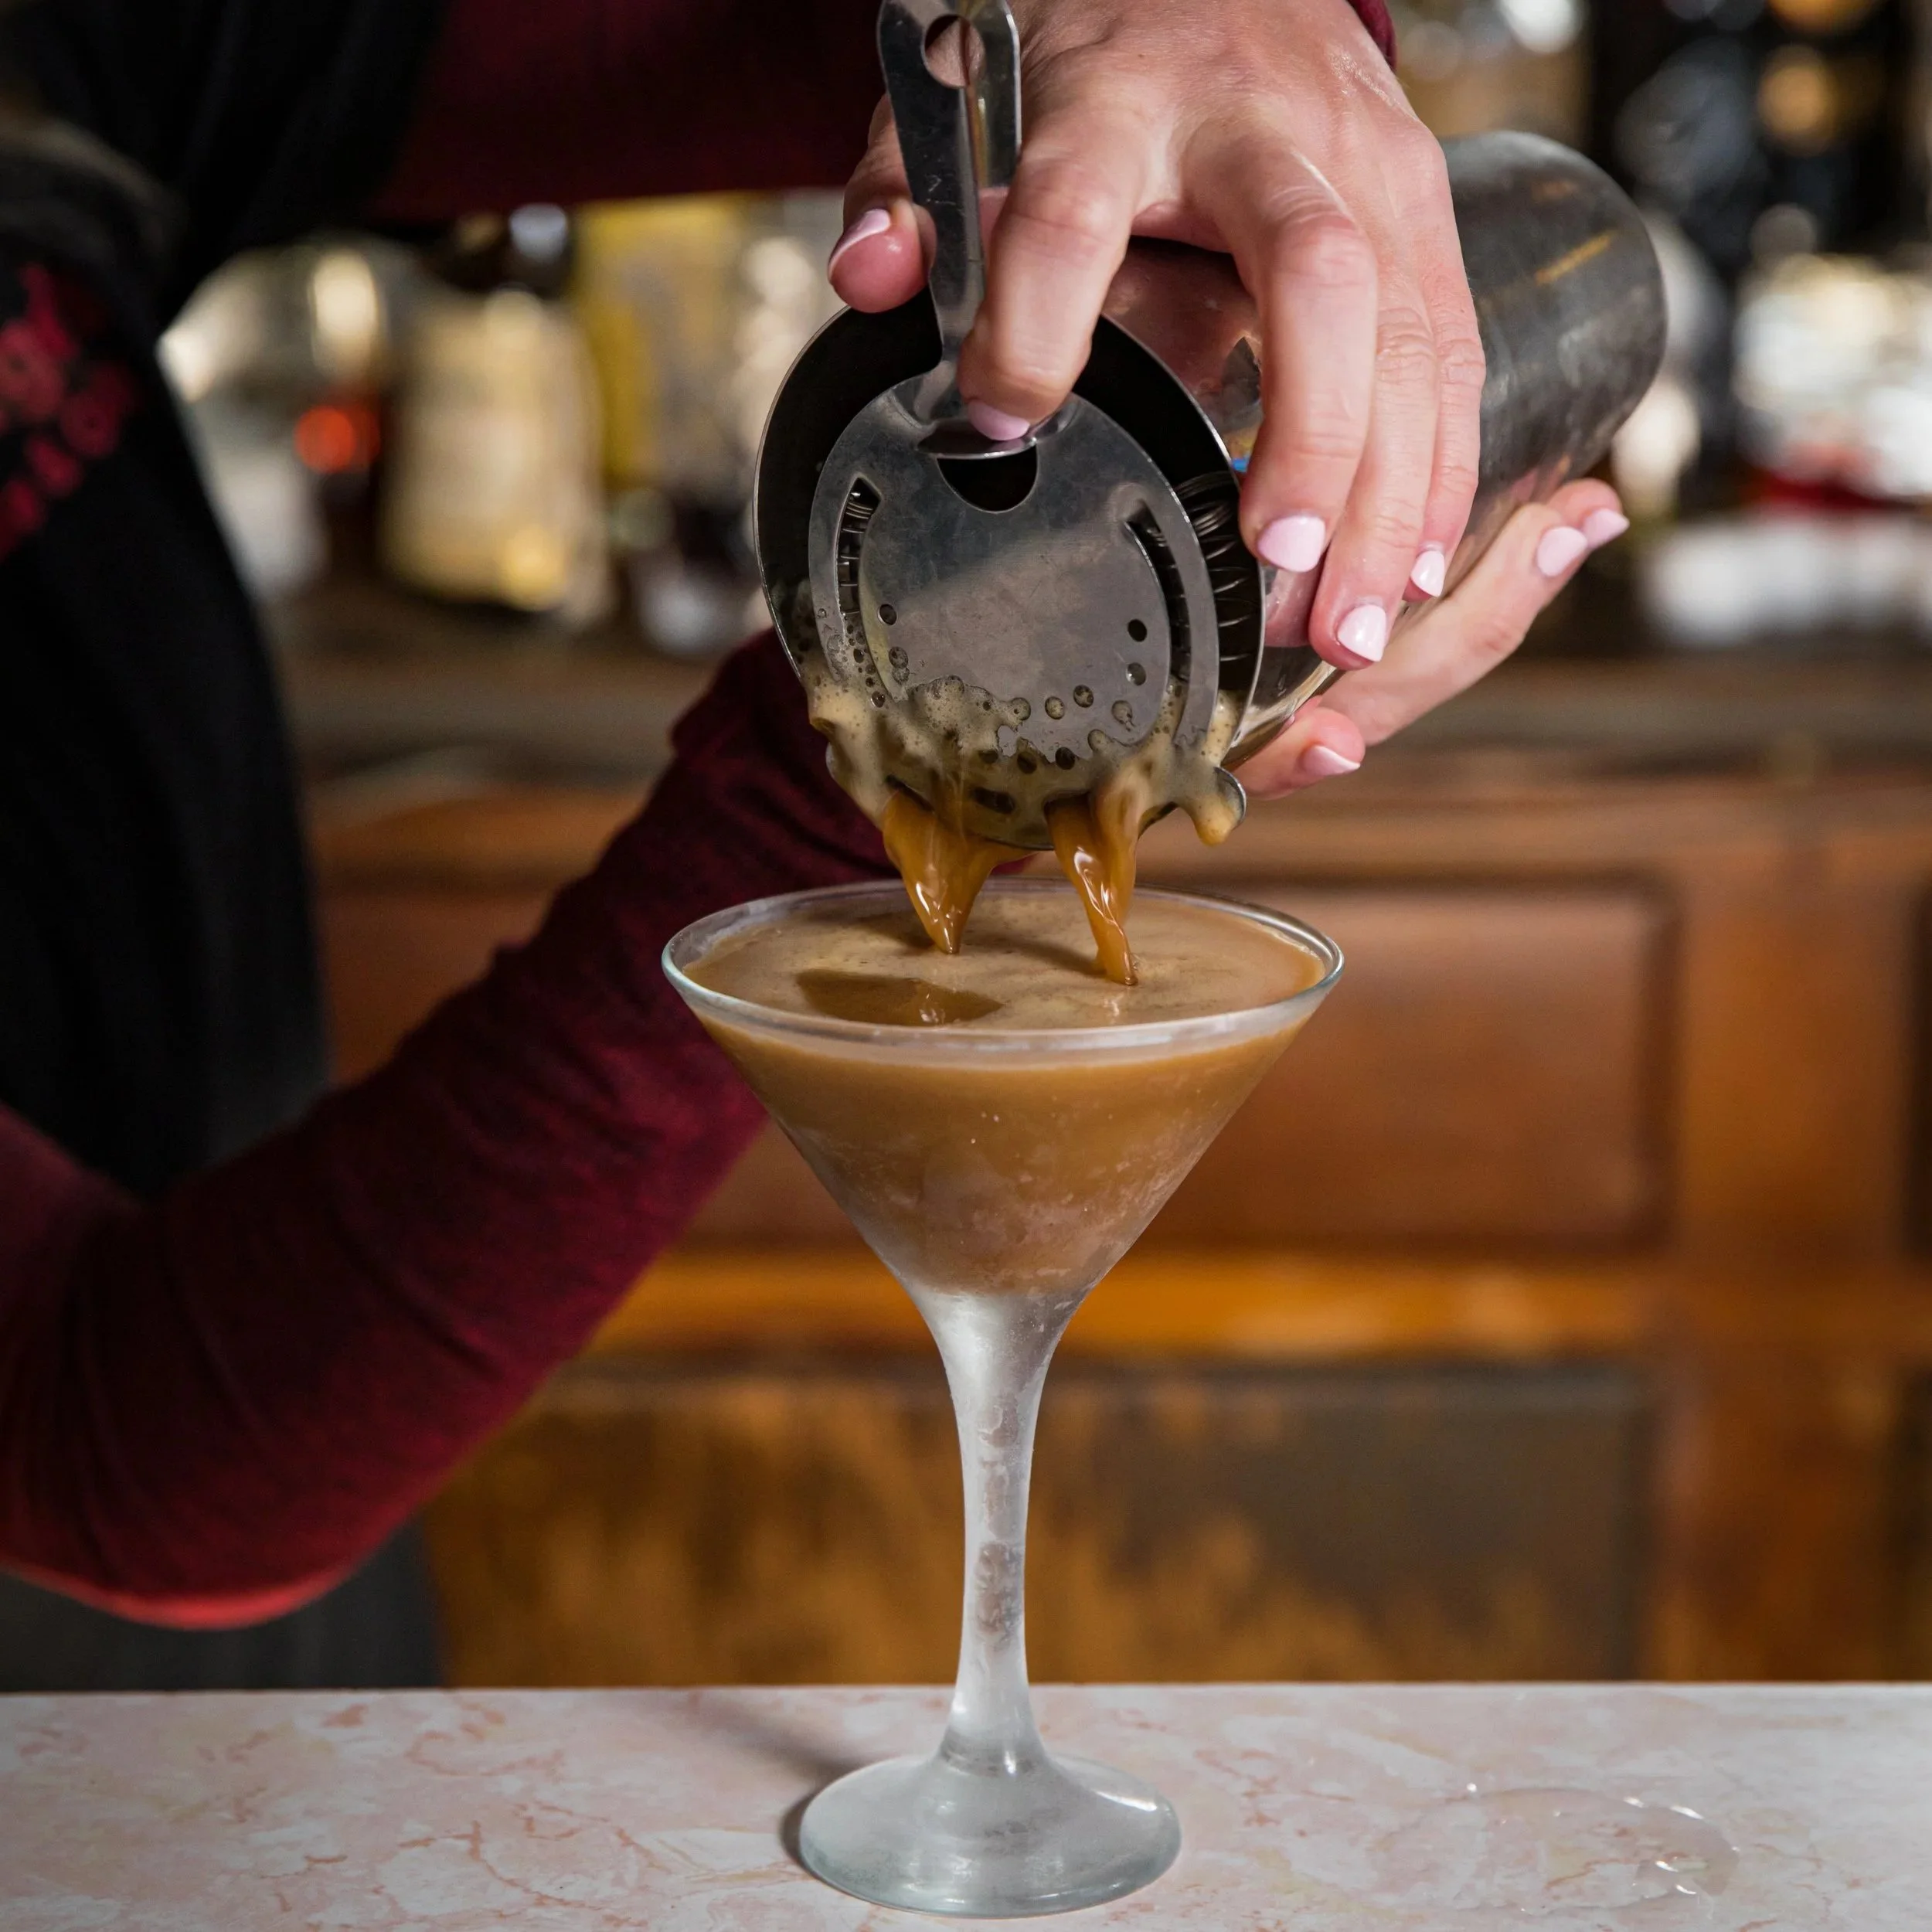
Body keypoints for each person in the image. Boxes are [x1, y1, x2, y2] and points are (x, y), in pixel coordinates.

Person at [0, 0, 1627, 1687]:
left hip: (327, 1680)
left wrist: (1151, 33)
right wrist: (905, 731)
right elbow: (111, 1437)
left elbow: (800, 41)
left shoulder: (69, 57)